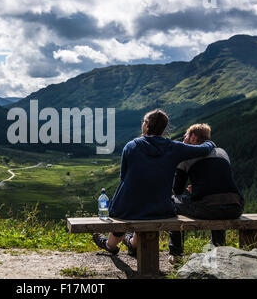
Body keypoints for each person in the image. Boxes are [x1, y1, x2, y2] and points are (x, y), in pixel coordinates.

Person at [93, 109, 216, 256]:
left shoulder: (131, 146)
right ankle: (132, 243)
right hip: (160, 208)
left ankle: (110, 245)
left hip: (128, 208)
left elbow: (123, 177)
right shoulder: (174, 148)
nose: (142, 124)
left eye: (144, 121)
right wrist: (210, 143)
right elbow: (201, 149)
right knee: (147, 208)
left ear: (147, 125)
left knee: (129, 206)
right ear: (163, 128)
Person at [168, 123, 244, 263]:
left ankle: (176, 252)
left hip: (207, 207)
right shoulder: (222, 153)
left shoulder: (186, 156)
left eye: (185, 136)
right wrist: (198, 187)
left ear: (193, 138)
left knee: (172, 200)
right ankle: (218, 246)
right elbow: (219, 182)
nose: (183, 139)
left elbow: (177, 190)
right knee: (216, 200)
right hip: (235, 207)